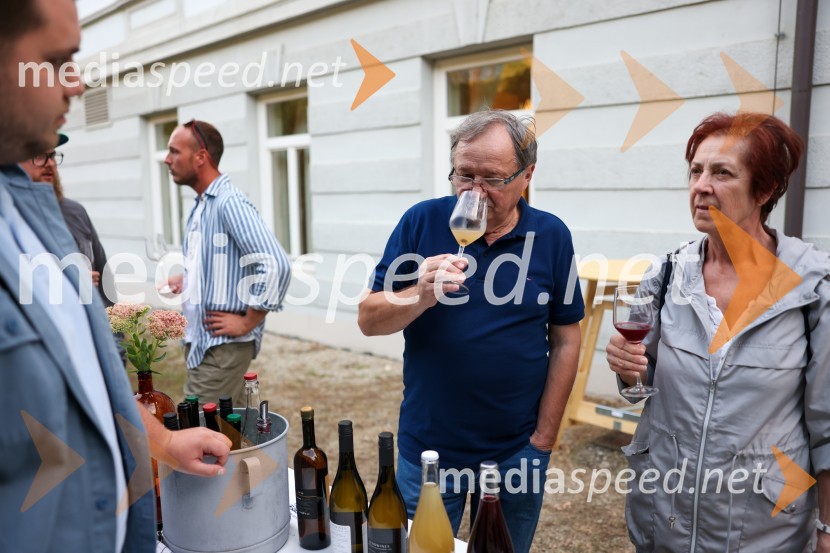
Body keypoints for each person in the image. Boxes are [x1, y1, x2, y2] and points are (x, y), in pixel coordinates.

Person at [0, 1, 231, 551]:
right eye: (57, 61)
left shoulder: (43, 215)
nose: (77, 86)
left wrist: (164, 444)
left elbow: (91, 377)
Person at [358, 110, 583, 553]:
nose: (475, 193)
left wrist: (543, 439)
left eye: (492, 180)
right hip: (429, 450)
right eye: (464, 176)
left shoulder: (552, 236)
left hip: (517, 450)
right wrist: (418, 294)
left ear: (527, 175)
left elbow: (566, 338)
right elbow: (368, 319)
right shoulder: (420, 222)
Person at [606, 112, 830, 552]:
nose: (701, 185)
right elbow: (641, 389)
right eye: (695, 170)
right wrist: (627, 371)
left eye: (721, 173)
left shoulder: (812, 289)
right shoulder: (665, 275)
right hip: (662, 518)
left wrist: (827, 530)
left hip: (762, 531)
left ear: (764, 190)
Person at [164, 120, 291, 407]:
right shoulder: (203, 204)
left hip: (222, 349)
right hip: (203, 345)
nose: (166, 159)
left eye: (174, 151)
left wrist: (249, 320)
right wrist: (190, 280)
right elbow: (223, 263)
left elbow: (276, 264)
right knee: (227, 434)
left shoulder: (228, 202)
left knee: (198, 430)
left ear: (200, 157)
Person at [19, 133, 115, 307]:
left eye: (53, 156)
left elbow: (103, 272)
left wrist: (114, 329)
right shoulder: (10, 219)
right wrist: (68, 282)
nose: (50, 164)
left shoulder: (75, 212)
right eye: (39, 156)